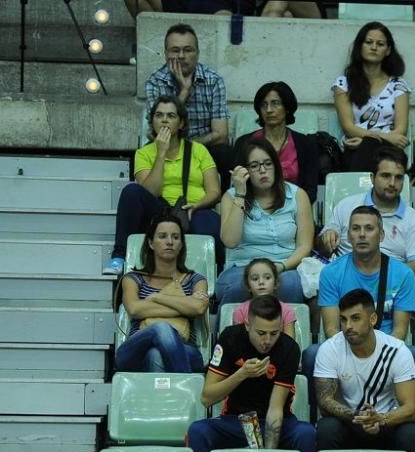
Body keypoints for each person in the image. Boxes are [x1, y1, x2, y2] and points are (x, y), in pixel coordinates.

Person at [186, 294, 316, 452]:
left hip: (278, 422)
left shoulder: (289, 349)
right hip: (236, 421)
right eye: (261, 333)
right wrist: (241, 374)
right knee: (198, 430)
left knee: (306, 433)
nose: (268, 341)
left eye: (274, 333)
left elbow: (275, 409)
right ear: (247, 325)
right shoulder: (229, 338)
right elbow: (207, 397)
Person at [306, 205, 415, 382]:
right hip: (346, 345)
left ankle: (409, 409)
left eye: (369, 228)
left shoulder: (403, 274)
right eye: (356, 229)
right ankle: (321, 409)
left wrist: (375, 353)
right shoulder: (331, 273)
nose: (362, 234)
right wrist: (356, 352)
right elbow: (331, 329)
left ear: (381, 235)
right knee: (311, 354)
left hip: (386, 346)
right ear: (348, 236)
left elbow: (400, 331)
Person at [104, 95, 221, 275]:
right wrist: (160, 153)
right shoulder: (144, 153)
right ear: (152, 121)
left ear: (181, 123)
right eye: (159, 115)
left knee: (209, 220)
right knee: (131, 191)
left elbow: (214, 191)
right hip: (158, 210)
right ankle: (119, 256)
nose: (164, 119)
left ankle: (214, 272)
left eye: (171, 116)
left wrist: (198, 205)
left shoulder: (199, 150)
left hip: (192, 209)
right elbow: (150, 191)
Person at [319, 146, 415, 325]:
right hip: (347, 277)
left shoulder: (414, 219)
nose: (392, 183)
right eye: (385, 176)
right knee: (314, 286)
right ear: (372, 178)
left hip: (392, 281)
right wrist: (327, 236)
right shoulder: (346, 206)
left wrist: (376, 274)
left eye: (398, 178)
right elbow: (323, 246)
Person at [314, 289, 415, 452]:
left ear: (372, 319)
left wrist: (380, 419)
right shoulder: (330, 349)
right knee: (327, 427)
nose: (348, 326)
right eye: (343, 319)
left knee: (409, 433)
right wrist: (358, 417)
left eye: (355, 318)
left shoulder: (397, 351)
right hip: (349, 422)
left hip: (386, 421)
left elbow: (410, 408)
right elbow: (325, 402)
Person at [217, 137, 314, 304]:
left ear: (276, 166)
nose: (263, 170)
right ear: (244, 171)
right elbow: (230, 241)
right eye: (254, 166)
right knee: (235, 287)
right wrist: (240, 194)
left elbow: (304, 246)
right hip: (242, 267)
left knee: (291, 286)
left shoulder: (298, 195)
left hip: (285, 267)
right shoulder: (231, 197)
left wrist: (280, 267)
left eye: (268, 164)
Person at [116, 217, 209, 373]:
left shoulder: (196, 279)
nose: (170, 241)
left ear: (181, 245)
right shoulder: (133, 278)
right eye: (162, 236)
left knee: (156, 355)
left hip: (186, 348)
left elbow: (199, 308)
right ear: (151, 243)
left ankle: (159, 397)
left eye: (175, 237)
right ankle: (184, 389)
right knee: (160, 328)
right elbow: (134, 309)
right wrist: (185, 307)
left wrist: (158, 298)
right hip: (135, 350)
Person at [144, 24, 230, 177]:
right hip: (166, 147)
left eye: (188, 50)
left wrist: (189, 148)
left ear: (197, 54)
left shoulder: (214, 80)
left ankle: (223, 199)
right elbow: (156, 132)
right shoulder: (155, 82)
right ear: (166, 54)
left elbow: (221, 134)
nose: (181, 56)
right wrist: (184, 91)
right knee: (147, 152)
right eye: (175, 50)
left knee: (224, 153)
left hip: (204, 148)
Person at [333, 22, 411, 172]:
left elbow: (400, 130)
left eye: (380, 44)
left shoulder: (398, 85)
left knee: (369, 147)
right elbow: (349, 128)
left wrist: (366, 141)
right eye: (368, 42)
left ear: (388, 50)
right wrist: (375, 139)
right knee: (365, 148)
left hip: (389, 150)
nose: (374, 47)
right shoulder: (343, 83)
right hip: (354, 146)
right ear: (359, 46)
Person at [235, 81, 319, 203]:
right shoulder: (244, 143)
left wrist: (289, 209)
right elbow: (239, 184)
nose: (269, 110)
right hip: (254, 208)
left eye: (275, 104)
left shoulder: (306, 144)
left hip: (294, 209)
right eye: (264, 105)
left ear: (287, 108)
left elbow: (310, 191)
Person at [229, 258, 297, 340]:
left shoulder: (287, 311)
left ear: (276, 283)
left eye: (267, 278)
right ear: (248, 285)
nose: (261, 282)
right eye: (255, 279)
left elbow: (290, 343)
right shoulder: (240, 311)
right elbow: (238, 342)